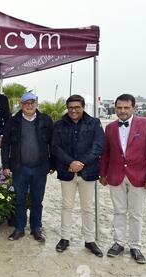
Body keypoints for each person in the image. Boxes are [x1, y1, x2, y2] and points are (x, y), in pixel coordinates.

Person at [100, 94, 146, 264]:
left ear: (134, 108)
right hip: (115, 174)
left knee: (136, 213)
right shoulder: (110, 127)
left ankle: (135, 246)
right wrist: (103, 174)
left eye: (126, 107)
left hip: (140, 176)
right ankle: (118, 242)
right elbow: (106, 153)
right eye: (119, 107)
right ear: (115, 108)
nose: (122, 111)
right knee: (119, 211)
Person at [51, 94, 104, 257]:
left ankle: (89, 240)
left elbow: (98, 146)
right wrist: (71, 163)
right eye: (71, 107)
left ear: (83, 108)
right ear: (67, 108)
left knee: (87, 208)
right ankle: (65, 238)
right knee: (66, 206)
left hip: (88, 171)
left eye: (77, 107)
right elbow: (55, 147)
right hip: (67, 172)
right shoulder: (59, 124)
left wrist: (81, 162)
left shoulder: (94, 123)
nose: (73, 110)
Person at [1, 92, 54, 242]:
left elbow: (53, 143)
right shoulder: (13, 121)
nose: (29, 106)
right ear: (21, 105)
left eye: (32, 103)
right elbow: (6, 145)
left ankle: (36, 228)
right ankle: (19, 228)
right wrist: (6, 165)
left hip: (40, 168)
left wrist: (52, 164)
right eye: (26, 103)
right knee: (20, 200)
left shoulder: (45, 120)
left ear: (36, 104)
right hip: (20, 168)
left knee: (37, 200)